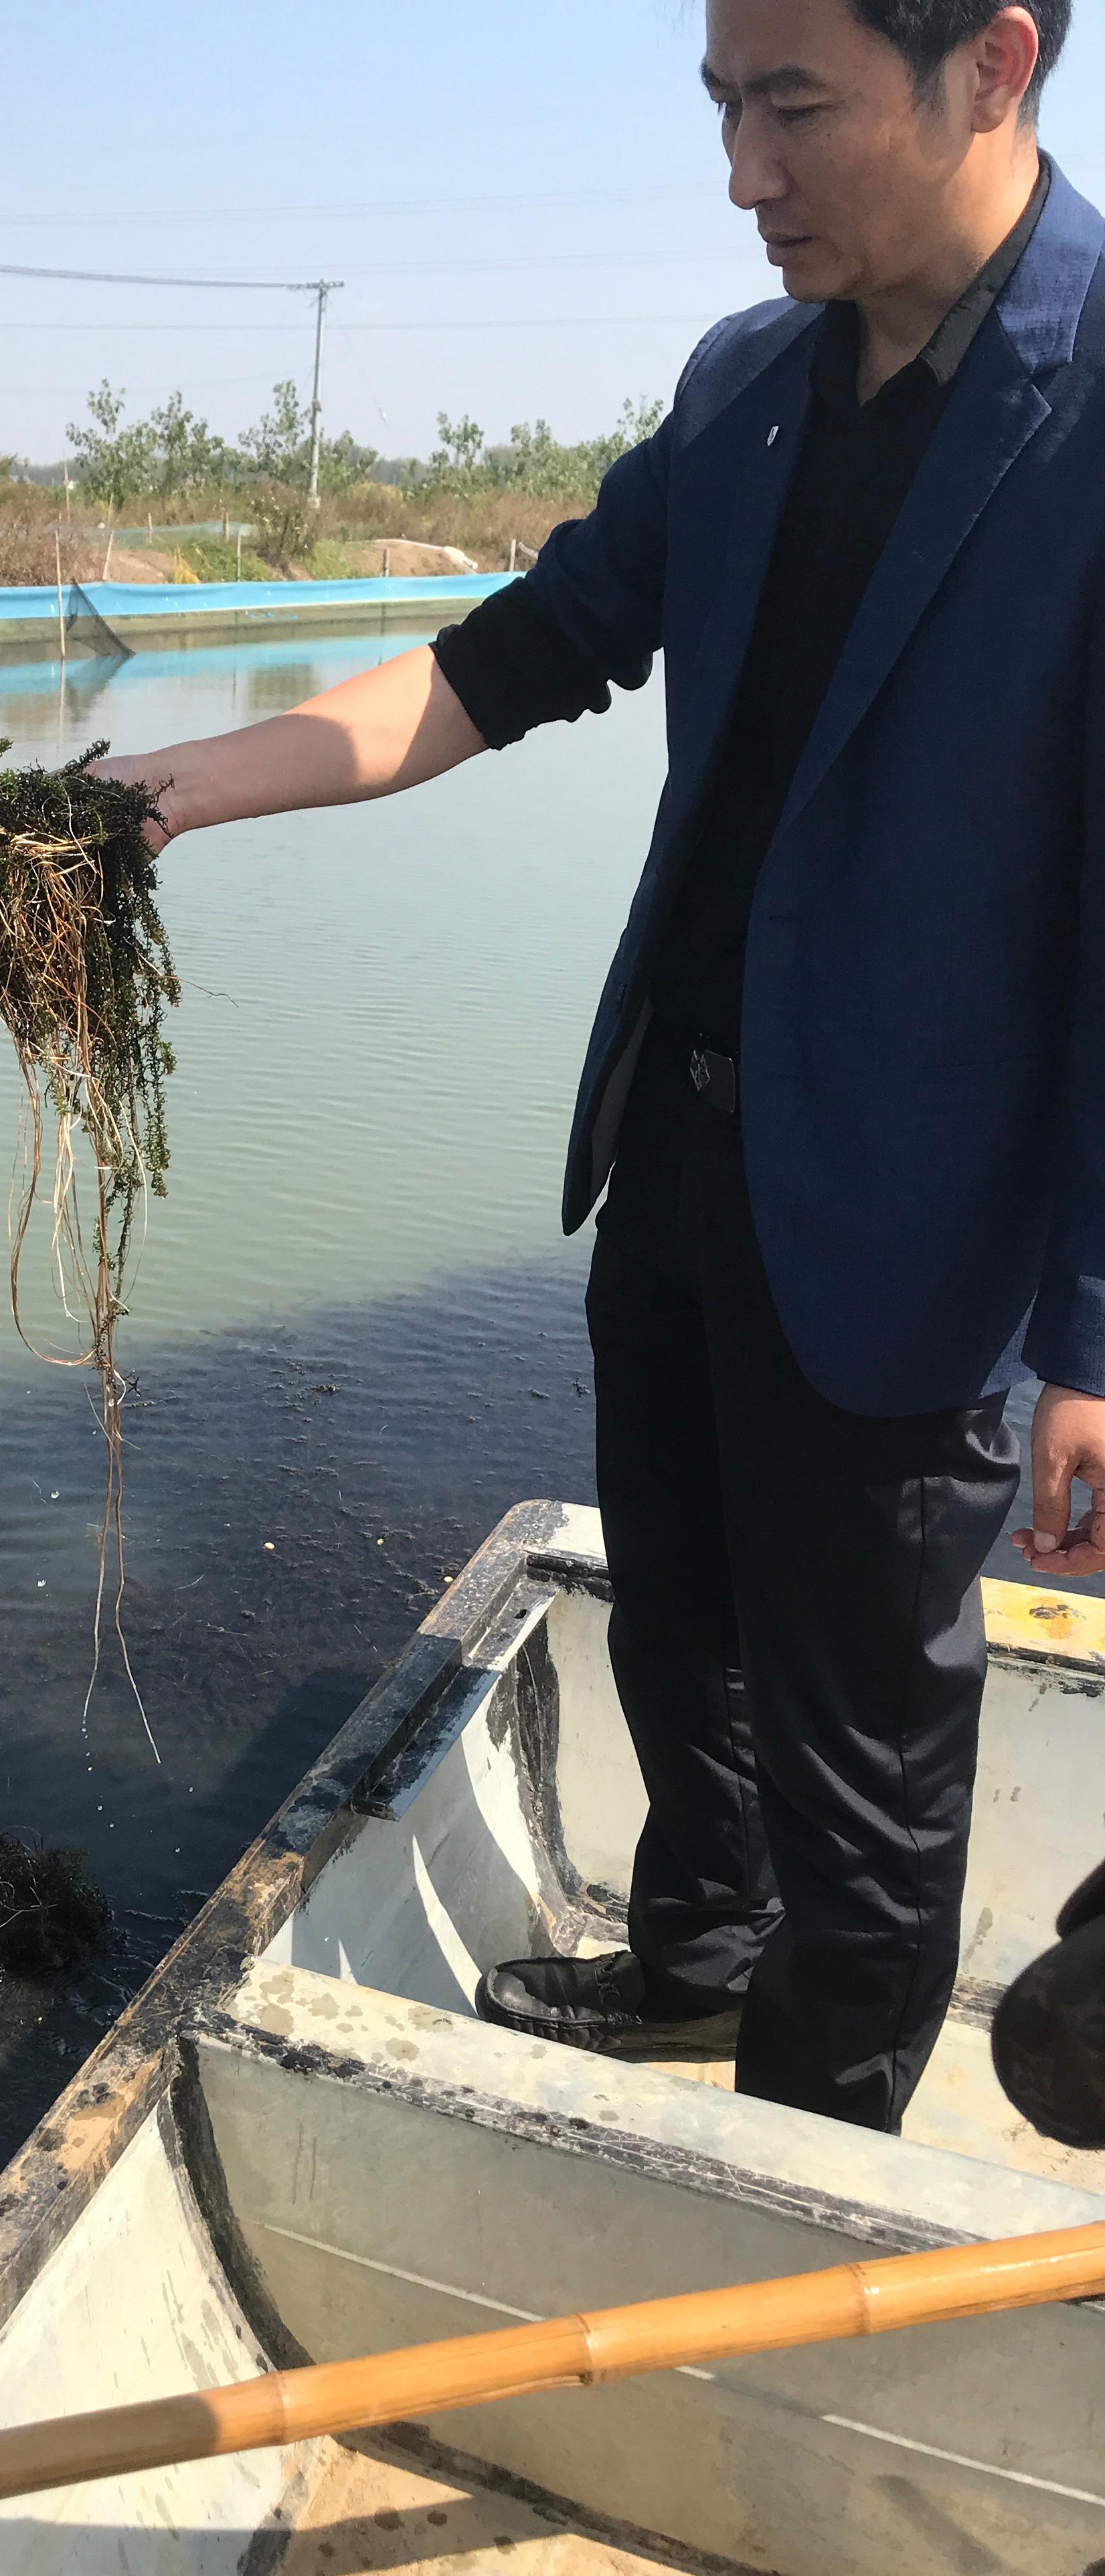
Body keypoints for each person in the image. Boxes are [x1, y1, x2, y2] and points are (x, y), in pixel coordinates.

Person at [92, 0, 1105, 2133]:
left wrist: (1093, 1332)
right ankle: (694, 1965)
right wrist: (178, 792)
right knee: (680, 1627)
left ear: (993, 64)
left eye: (793, 104)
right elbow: (503, 665)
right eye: (722, 105)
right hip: (679, 1138)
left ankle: (803, 2142)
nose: (742, 168)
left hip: (913, 1221)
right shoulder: (749, 390)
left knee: (866, 1751)